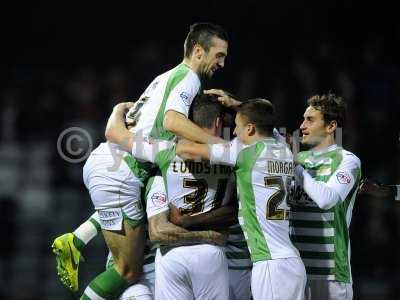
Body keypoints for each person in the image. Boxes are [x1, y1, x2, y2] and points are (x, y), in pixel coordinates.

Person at [51, 22, 229, 299]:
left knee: (144, 207)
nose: (222, 62)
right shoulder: (189, 79)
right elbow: (172, 120)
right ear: (198, 51)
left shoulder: (163, 78)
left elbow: (127, 124)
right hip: (122, 169)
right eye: (219, 55)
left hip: (110, 163)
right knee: (127, 270)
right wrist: (222, 147)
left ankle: (77, 238)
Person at [174, 99, 307, 300]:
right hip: (290, 261)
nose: (234, 132)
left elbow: (184, 149)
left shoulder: (244, 153)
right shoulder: (284, 151)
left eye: (237, 126)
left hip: (270, 263)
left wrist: (213, 140)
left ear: (251, 129)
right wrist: (238, 104)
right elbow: (266, 122)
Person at [106, 94, 235, 299]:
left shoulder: (166, 151)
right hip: (210, 254)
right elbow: (268, 139)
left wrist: (118, 109)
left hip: (170, 255)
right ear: (219, 123)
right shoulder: (234, 156)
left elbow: (115, 133)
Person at [290, 93, 361, 300]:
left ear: (331, 126)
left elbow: (327, 199)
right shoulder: (298, 159)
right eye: (303, 119)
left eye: (310, 120)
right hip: (295, 270)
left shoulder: (348, 161)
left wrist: (296, 167)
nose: (302, 125)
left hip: (330, 274)